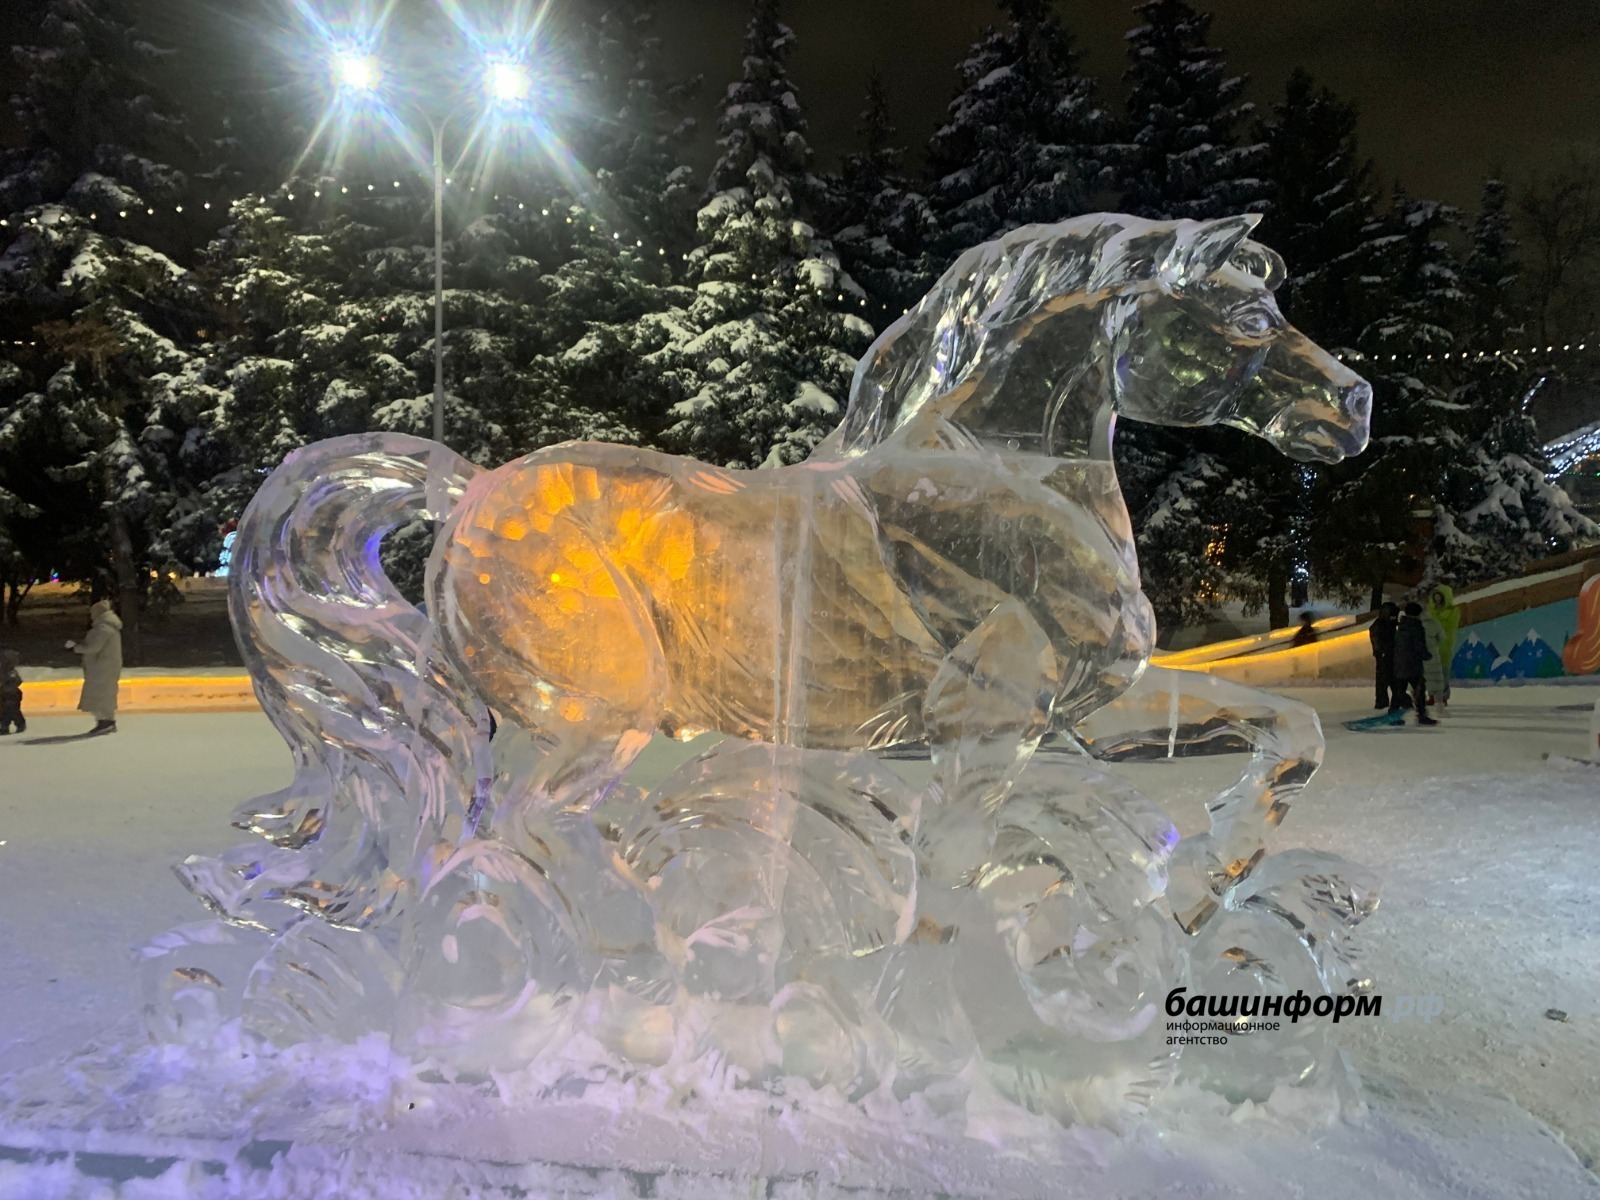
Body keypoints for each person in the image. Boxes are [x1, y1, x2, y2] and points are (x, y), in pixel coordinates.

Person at [67, 599, 123, 734]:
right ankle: (104, 721)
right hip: (104, 667)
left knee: (100, 695)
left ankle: (106, 722)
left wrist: (76, 647)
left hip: (102, 668)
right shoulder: (106, 627)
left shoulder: (104, 629)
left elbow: (92, 647)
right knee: (102, 694)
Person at [1392, 602, 1437, 725]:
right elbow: (1418, 646)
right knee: (1419, 690)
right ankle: (1421, 715)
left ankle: (1394, 713)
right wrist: (1426, 655)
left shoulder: (1402, 625)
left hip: (1400, 662)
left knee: (1399, 690)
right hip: (1413, 664)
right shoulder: (1416, 627)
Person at [1426, 584, 1460, 711]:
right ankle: (1432, 695)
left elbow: (1450, 627)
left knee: (1443, 673)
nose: (1437, 600)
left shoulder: (1452, 612)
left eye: (1440, 597)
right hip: (1431, 646)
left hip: (1444, 646)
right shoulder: (1429, 611)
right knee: (1430, 674)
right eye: (1435, 598)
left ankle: (1443, 696)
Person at [1420, 599, 1450, 719]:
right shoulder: (1434, 623)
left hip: (1420, 655)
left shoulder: (1417, 624)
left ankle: (1420, 703)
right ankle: (1440, 705)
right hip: (1433, 654)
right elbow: (1442, 637)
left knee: (1421, 680)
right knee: (1436, 679)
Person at [1369, 602, 1399, 710]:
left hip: (1389, 655)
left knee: (1392, 680)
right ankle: (1382, 702)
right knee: (1384, 679)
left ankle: (1394, 701)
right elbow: (1376, 639)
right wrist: (1380, 651)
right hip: (1384, 655)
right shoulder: (1380, 625)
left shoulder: (1390, 624)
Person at [0, 649, 23, 735]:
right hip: (3, 694)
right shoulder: (2, 671)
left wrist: (8, 685)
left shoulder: (12, 672)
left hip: (12, 694)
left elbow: (18, 681)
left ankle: (20, 724)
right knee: (3, 711)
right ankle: (4, 727)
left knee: (13, 710)